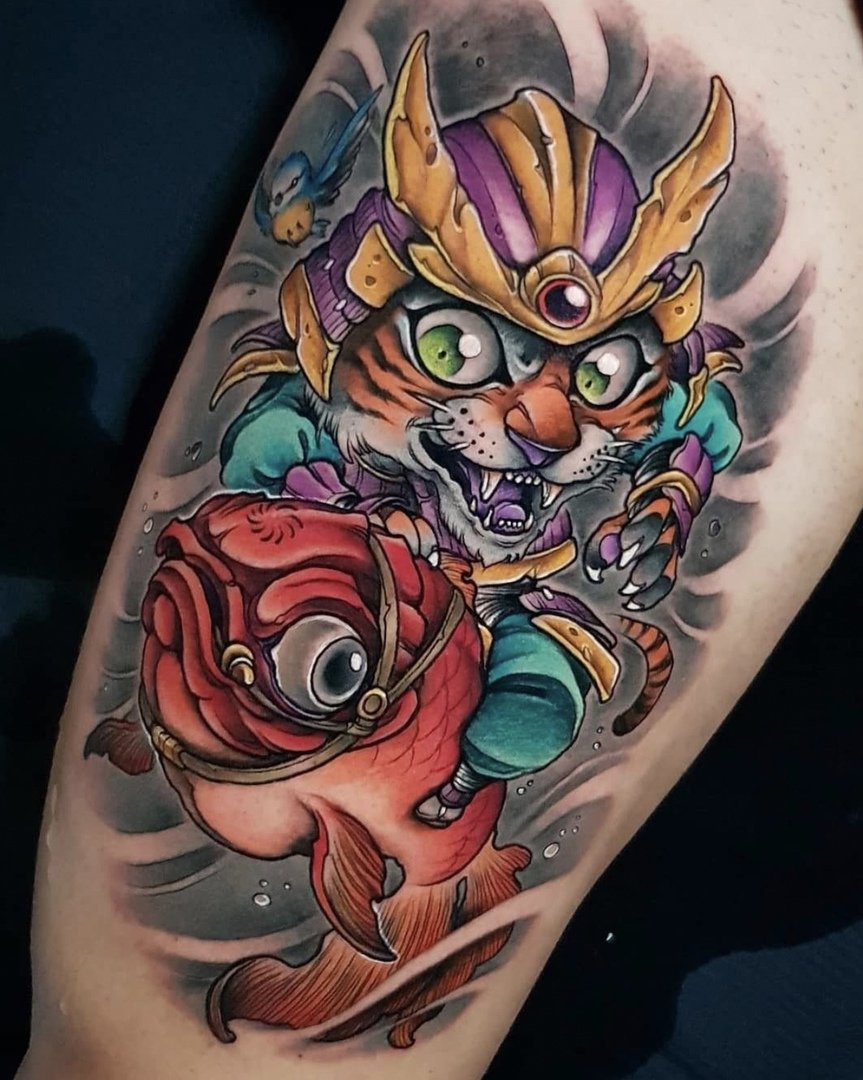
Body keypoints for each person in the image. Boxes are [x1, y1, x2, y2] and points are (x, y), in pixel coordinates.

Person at [18, 2, 863, 1078]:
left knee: (531, 697)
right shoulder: (323, 405)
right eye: (461, 344)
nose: (543, 426)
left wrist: (667, 494)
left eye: (598, 371)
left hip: (534, 642)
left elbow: (700, 419)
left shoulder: (654, 388)